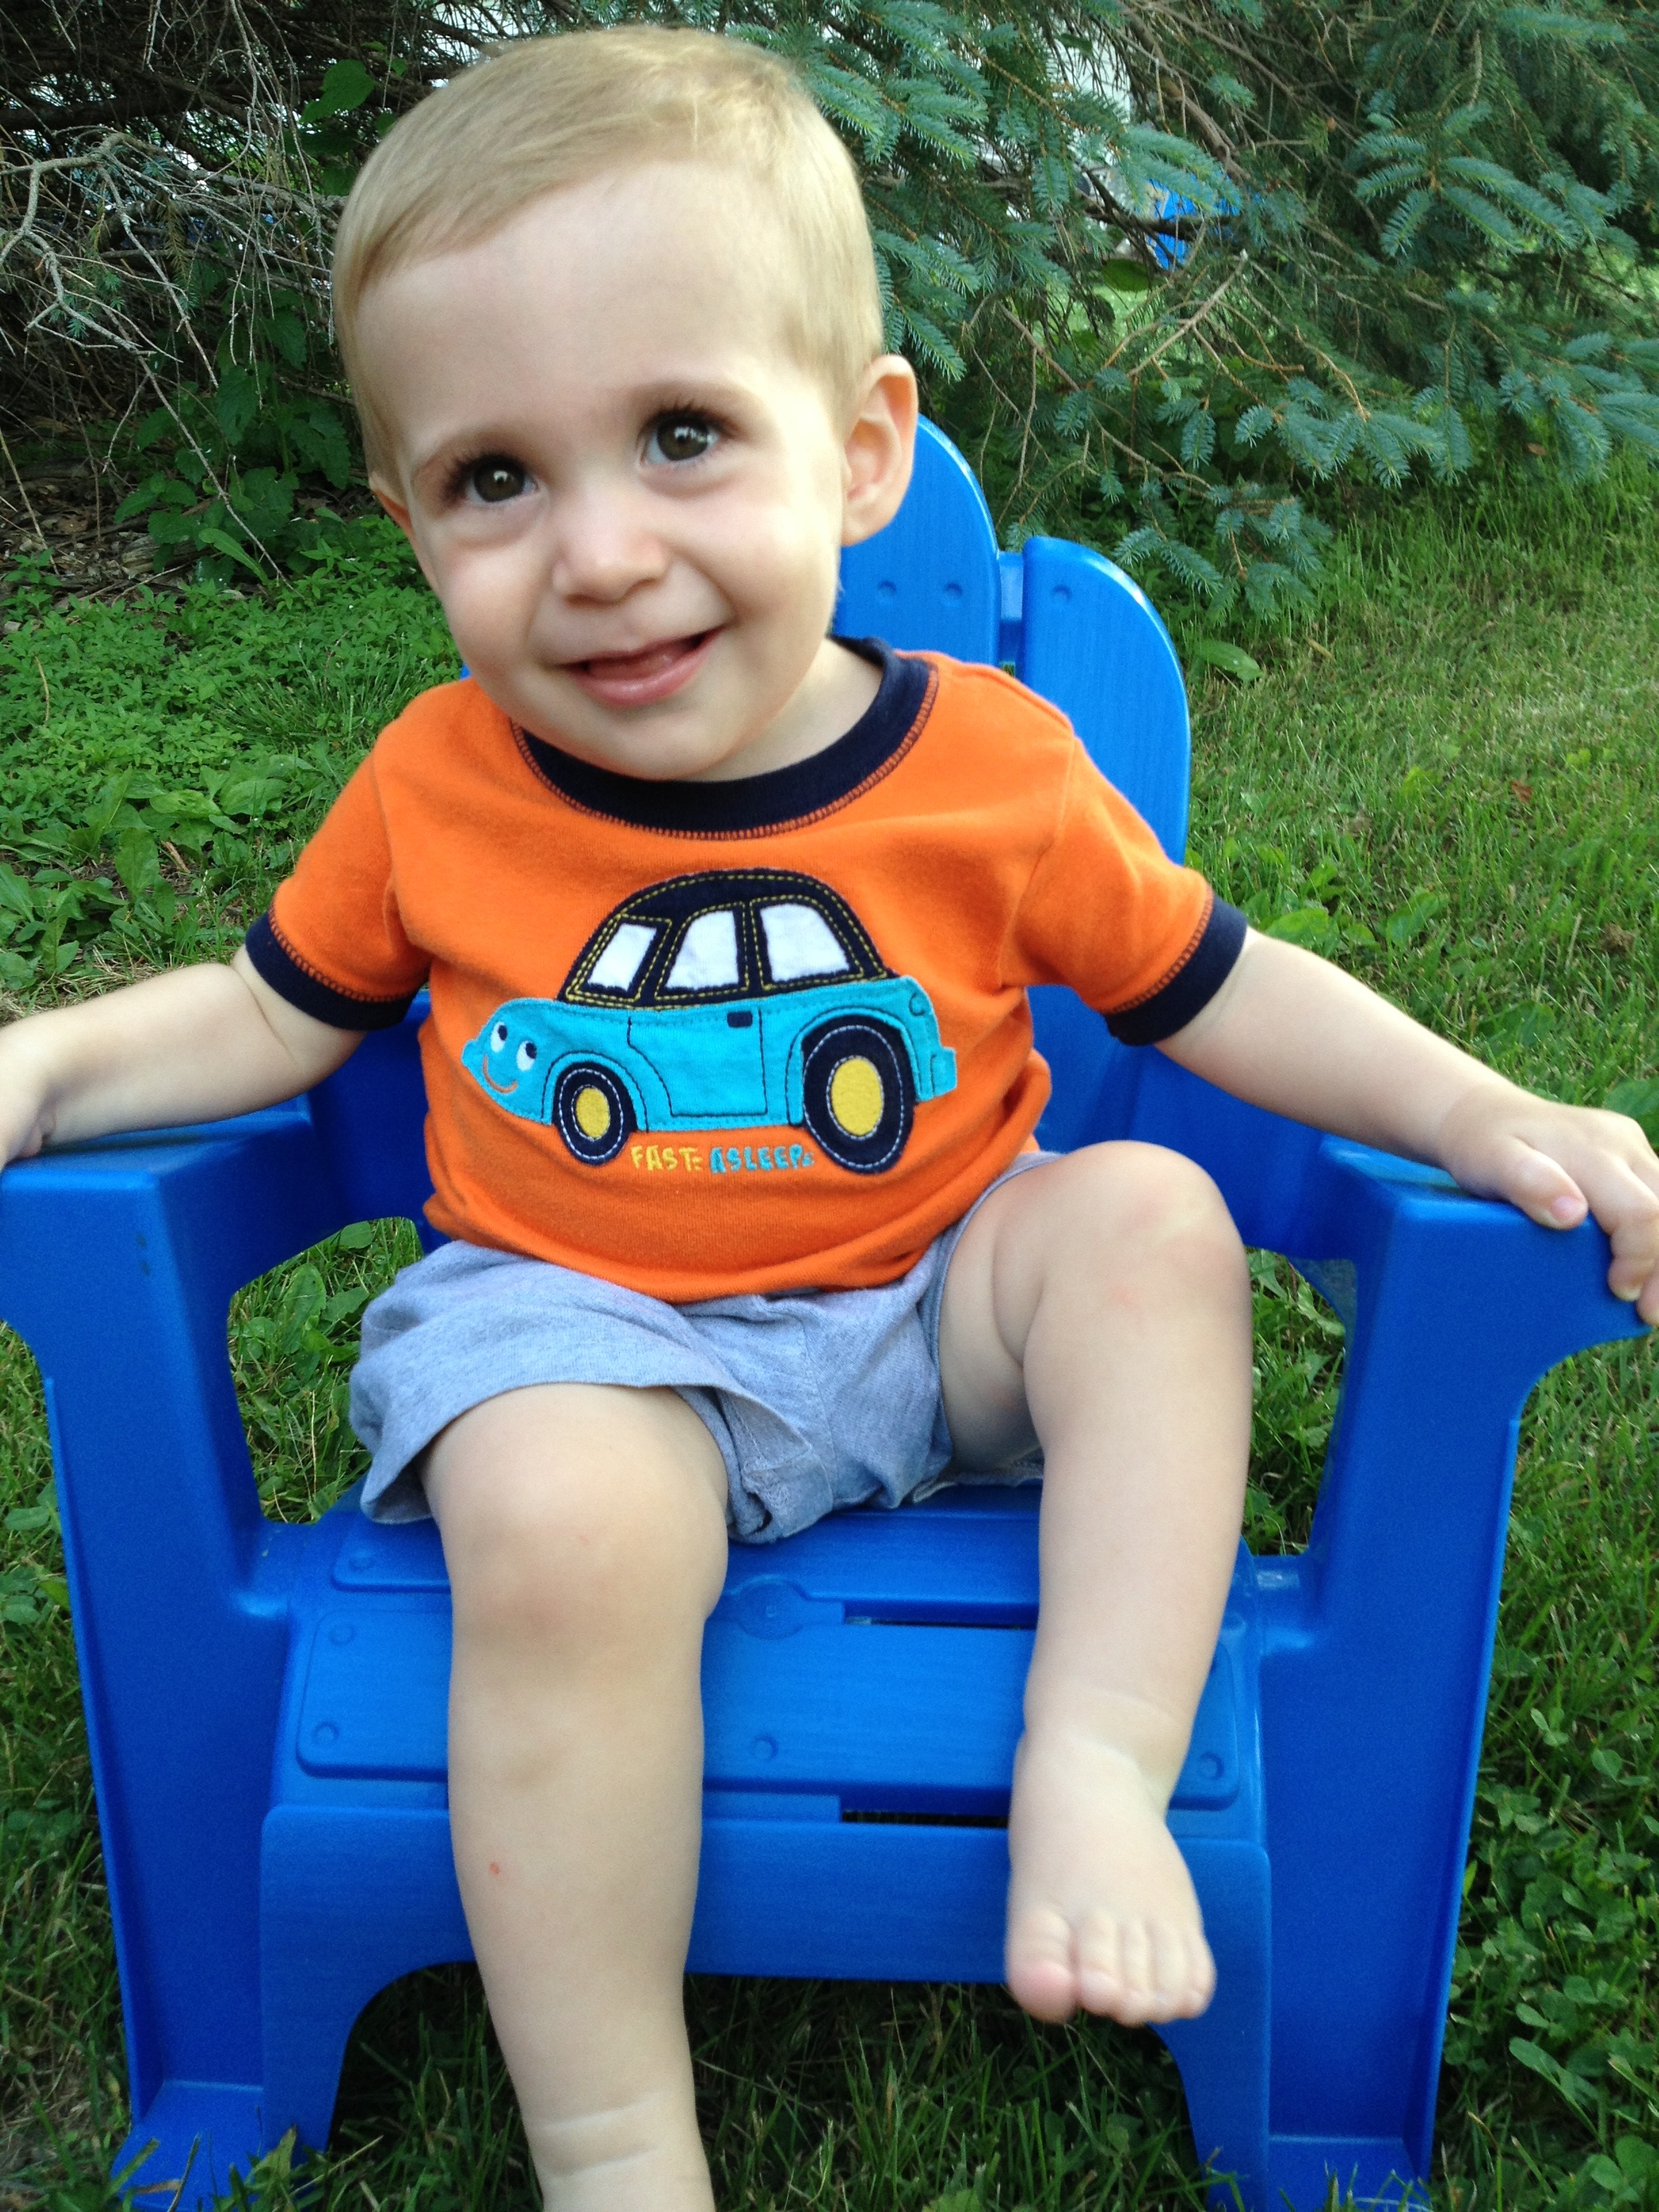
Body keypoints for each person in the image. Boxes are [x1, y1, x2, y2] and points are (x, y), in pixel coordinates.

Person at [1, 27, 1655, 2211]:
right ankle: (617, 2142)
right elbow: (263, 1015)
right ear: (409, 522)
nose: (600, 553)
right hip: (579, 1324)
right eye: (495, 479)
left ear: (863, 452)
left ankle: (1098, 1763)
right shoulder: (434, 788)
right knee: (561, 1518)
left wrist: (1482, 1103)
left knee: (1149, 1220)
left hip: (932, 1308)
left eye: (681, 436)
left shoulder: (992, 765)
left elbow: (1223, 986)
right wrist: (44, 1067)